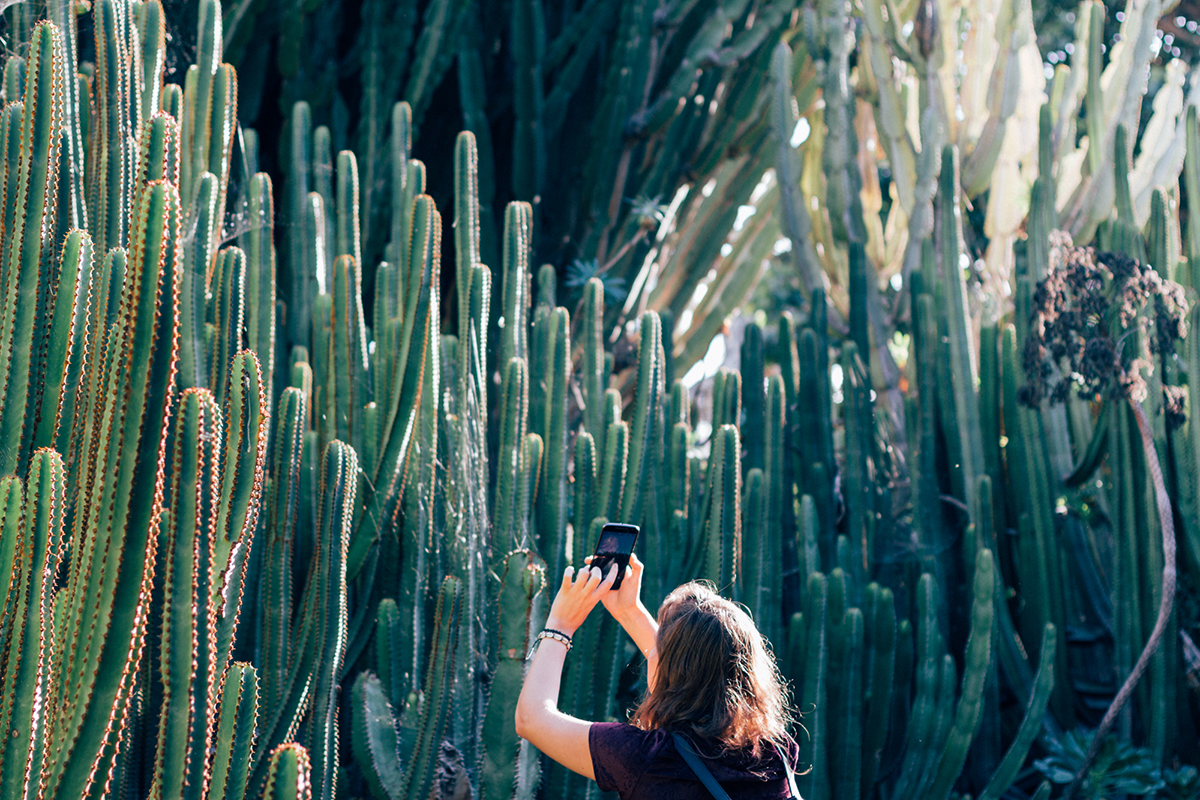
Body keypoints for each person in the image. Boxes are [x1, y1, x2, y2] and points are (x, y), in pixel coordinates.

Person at [515, 553, 801, 799]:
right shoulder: (776, 751)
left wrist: (560, 625)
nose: (649, 651)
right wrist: (629, 611)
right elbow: (694, 669)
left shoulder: (648, 759)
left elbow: (532, 720)